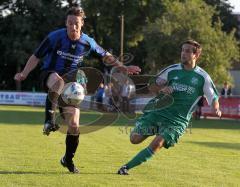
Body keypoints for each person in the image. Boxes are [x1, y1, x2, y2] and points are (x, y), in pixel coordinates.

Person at [14, 6, 141, 174]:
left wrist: (122, 67)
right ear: (66, 23)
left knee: (74, 125)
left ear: (82, 24)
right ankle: (48, 121)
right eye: (69, 23)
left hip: (71, 85)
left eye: (76, 23)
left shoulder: (87, 42)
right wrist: (24, 73)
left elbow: (105, 55)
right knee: (58, 82)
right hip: (50, 75)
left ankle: (68, 159)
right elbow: (36, 56)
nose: (73, 26)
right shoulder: (54, 37)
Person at [117, 40, 222, 175]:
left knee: (158, 143)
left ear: (196, 55)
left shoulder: (203, 77)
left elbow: (213, 97)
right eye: (182, 50)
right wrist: (161, 89)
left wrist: (216, 108)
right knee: (134, 138)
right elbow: (152, 85)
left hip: (177, 121)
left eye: (188, 51)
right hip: (158, 112)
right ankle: (154, 129)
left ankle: (125, 168)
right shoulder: (172, 70)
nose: (183, 53)